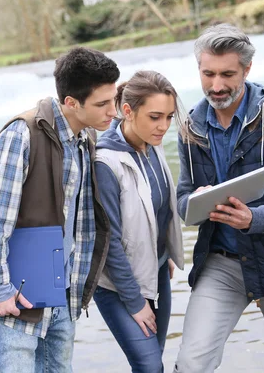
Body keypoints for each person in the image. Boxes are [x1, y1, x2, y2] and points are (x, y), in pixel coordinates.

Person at [173, 23, 264, 373]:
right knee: (191, 364)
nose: (216, 85)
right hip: (221, 263)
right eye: (208, 74)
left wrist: (256, 219)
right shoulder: (189, 125)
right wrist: (194, 201)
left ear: (247, 69)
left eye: (227, 74)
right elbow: (182, 198)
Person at [0, 47, 120, 372]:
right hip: (14, 297)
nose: (113, 111)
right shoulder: (21, 135)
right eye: (103, 104)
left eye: (115, 99)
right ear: (71, 103)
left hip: (62, 293)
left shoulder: (84, 139)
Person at [92, 70, 186, 373]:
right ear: (128, 111)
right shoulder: (105, 163)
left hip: (156, 269)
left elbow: (156, 207)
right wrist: (134, 302)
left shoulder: (152, 143)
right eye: (156, 116)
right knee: (149, 365)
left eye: (170, 117)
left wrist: (163, 250)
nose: (164, 126)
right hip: (117, 286)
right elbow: (108, 243)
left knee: (154, 359)